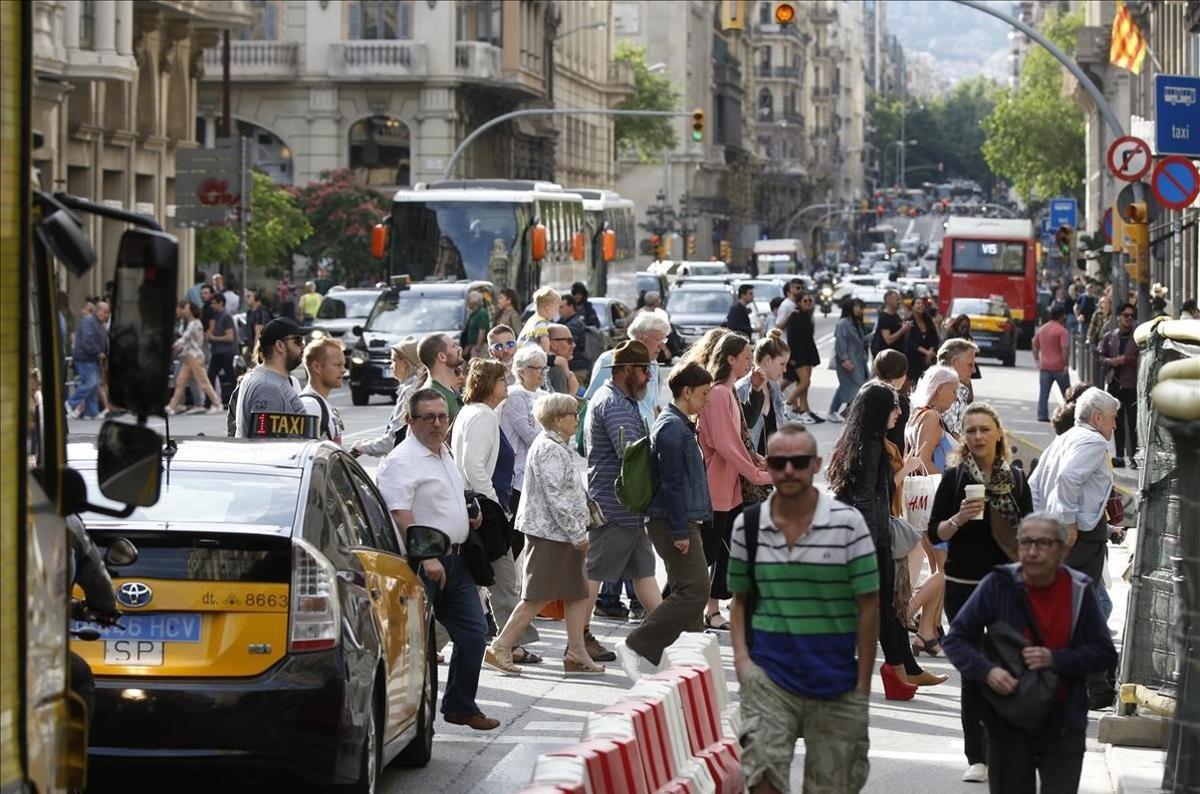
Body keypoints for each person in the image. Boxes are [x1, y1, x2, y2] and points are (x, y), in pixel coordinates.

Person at [729, 424, 879, 794]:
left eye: (799, 462)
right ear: (769, 466)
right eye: (779, 463)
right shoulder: (748, 526)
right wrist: (744, 665)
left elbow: (869, 605)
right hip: (769, 678)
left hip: (837, 683)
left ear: (817, 465)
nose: (789, 471)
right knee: (761, 778)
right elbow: (740, 601)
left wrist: (862, 686)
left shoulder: (848, 525)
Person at [941, 513, 1118, 794]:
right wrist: (988, 671)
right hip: (1008, 721)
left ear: (1063, 549)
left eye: (1043, 543)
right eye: (1025, 543)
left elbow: (1104, 654)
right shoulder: (999, 584)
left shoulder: (1079, 589)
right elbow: (957, 639)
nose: (1032, 551)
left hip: (1064, 722)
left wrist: (1057, 659)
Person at [377, 388, 498, 731]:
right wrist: (426, 554)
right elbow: (400, 513)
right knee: (419, 648)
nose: (437, 424)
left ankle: (460, 705)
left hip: (457, 563)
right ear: (410, 421)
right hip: (423, 565)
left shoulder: (442, 451)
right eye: (428, 417)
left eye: (442, 416)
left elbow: (448, 496)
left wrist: (468, 514)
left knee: (474, 636)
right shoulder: (401, 461)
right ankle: (417, 722)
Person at [928, 402, 1034, 783]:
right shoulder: (955, 478)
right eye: (970, 430)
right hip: (963, 588)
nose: (976, 437)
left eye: (983, 430)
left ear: (998, 434)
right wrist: (957, 519)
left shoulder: (1016, 480)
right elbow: (934, 532)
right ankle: (978, 756)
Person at [828, 383, 945, 701]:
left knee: (888, 608)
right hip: (870, 540)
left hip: (866, 537)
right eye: (893, 407)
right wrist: (873, 545)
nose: (898, 412)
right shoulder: (871, 448)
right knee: (880, 608)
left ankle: (901, 666)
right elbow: (867, 500)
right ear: (879, 411)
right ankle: (897, 667)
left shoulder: (859, 442)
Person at [487, 393, 601, 674]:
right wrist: (577, 533)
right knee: (537, 596)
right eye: (573, 415)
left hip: (560, 533)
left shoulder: (557, 444)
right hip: (551, 534)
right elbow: (556, 497)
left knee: (576, 592)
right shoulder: (549, 447)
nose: (577, 419)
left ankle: (576, 653)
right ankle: (500, 647)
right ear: (558, 419)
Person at [618, 363, 715, 676]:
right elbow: (672, 482)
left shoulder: (679, 423)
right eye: (703, 393)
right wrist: (679, 531)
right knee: (696, 590)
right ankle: (636, 644)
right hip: (673, 520)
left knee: (688, 588)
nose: (707, 399)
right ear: (686, 392)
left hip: (678, 518)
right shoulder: (672, 427)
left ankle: (689, 661)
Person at [1029, 386, 1120, 708]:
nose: (1115, 427)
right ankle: (1096, 684)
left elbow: (1035, 484)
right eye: (1113, 419)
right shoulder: (1094, 441)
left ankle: (1096, 680)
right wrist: (1067, 522)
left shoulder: (1064, 438)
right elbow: (1068, 479)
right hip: (1079, 535)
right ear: (1097, 417)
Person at [453, 359, 540, 666]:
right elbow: (472, 465)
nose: (507, 386)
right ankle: (509, 644)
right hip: (484, 510)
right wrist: (492, 506)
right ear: (490, 386)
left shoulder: (477, 413)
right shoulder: (482, 416)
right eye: (503, 381)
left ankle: (509, 643)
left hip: (479, 508)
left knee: (471, 578)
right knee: (502, 579)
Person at [582, 340, 664, 662]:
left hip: (627, 508)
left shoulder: (619, 399)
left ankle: (669, 634)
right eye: (644, 371)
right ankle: (580, 638)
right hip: (615, 507)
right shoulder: (614, 403)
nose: (647, 377)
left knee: (644, 572)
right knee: (593, 575)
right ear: (626, 369)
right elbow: (633, 458)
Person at [698, 333, 773, 631]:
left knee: (722, 552)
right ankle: (684, 609)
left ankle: (711, 609)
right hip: (717, 487)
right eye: (745, 357)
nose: (749, 363)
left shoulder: (726, 392)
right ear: (730, 359)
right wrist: (758, 473)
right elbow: (726, 445)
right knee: (708, 553)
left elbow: (738, 440)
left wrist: (757, 461)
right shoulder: (718, 393)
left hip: (729, 488)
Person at [585, 311, 671, 427]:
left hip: (645, 439)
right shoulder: (609, 360)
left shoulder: (653, 364)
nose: (662, 346)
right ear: (641, 337)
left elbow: (652, 406)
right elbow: (592, 403)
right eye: (658, 340)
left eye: (664, 340)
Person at [351, 336, 425, 458]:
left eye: (394, 360)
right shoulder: (414, 386)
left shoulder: (410, 392)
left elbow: (393, 440)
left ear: (406, 363)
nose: (391, 366)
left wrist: (363, 447)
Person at [233, 318, 308, 437]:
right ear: (280, 346)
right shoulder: (267, 388)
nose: (303, 346)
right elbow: (266, 447)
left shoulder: (269, 379)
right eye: (298, 341)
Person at [499, 345, 547, 516]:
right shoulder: (515, 396)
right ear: (521, 371)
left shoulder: (543, 396)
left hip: (539, 471)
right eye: (537, 368)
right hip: (518, 475)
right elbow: (530, 436)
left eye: (544, 367)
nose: (542, 372)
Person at [1097, 304, 1139, 468]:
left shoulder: (1137, 338)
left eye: (1131, 316)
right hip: (1114, 384)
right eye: (1126, 315)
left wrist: (1126, 360)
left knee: (1134, 423)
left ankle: (1135, 457)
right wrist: (1112, 361)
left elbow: (1143, 359)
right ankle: (1120, 456)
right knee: (1118, 423)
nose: (1129, 319)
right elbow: (1101, 358)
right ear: (1118, 317)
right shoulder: (1109, 336)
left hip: (1131, 386)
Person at [737, 330, 790, 455]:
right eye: (782, 364)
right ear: (767, 360)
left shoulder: (774, 387)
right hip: (750, 466)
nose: (785, 369)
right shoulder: (741, 389)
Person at [166, 301, 223, 416]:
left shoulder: (195, 323)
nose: (184, 310)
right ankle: (172, 406)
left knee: (203, 382)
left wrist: (174, 345)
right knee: (180, 382)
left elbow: (185, 338)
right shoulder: (191, 323)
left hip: (195, 357)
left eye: (187, 308)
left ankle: (217, 404)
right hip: (189, 357)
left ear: (191, 310)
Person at [780, 286, 823, 424]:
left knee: (804, 383)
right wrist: (791, 357)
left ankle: (804, 410)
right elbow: (792, 338)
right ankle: (787, 404)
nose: (808, 303)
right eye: (805, 301)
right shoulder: (795, 316)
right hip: (798, 355)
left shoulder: (807, 316)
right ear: (799, 303)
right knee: (805, 382)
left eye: (810, 301)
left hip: (808, 353)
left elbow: (809, 337)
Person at [906, 365, 959, 476]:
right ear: (939, 389)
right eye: (954, 391)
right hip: (933, 490)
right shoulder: (931, 416)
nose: (956, 397)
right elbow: (922, 462)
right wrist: (946, 486)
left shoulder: (917, 414)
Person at [66, 301, 110, 420]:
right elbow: (87, 340)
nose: (106, 315)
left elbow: (103, 339)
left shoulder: (97, 323)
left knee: (94, 384)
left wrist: (104, 352)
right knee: (91, 383)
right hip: (85, 358)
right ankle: (71, 403)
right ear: (99, 311)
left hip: (92, 358)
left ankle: (91, 412)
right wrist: (98, 352)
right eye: (105, 312)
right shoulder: (89, 321)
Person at [828, 297, 869, 423]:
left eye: (861, 307)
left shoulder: (857, 323)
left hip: (859, 361)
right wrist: (844, 359)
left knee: (849, 386)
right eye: (857, 306)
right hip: (848, 361)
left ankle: (845, 412)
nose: (860, 310)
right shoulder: (843, 323)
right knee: (853, 386)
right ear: (850, 307)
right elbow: (840, 342)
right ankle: (836, 411)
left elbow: (862, 340)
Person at [299, 337, 346, 445]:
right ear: (317, 367)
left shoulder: (320, 403)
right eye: (338, 365)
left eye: (343, 365)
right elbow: (305, 455)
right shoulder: (310, 406)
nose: (344, 370)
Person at [1032, 304, 1071, 422]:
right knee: (1068, 394)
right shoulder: (1062, 331)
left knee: (1044, 393)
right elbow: (1064, 349)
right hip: (1059, 367)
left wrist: (1037, 361)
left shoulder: (1042, 329)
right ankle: (1070, 416)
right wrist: (1065, 365)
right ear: (1062, 316)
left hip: (1045, 366)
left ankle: (1042, 415)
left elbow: (1035, 346)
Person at [418, 333, 465, 425]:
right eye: (454, 346)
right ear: (442, 357)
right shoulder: (430, 398)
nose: (459, 349)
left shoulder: (449, 390)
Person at [938, 337, 980, 438]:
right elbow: (953, 436)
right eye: (970, 365)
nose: (974, 370)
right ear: (955, 362)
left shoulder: (958, 389)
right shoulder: (947, 391)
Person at [205, 293, 238, 406]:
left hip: (226, 352)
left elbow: (230, 337)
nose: (212, 306)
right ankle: (209, 402)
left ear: (221, 303)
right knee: (211, 375)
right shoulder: (216, 316)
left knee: (231, 377)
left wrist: (213, 338)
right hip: (217, 352)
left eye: (214, 303)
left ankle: (238, 400)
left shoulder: (226, 316)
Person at [905, 295, 940, 386]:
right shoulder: (909, 322)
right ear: (912, 306)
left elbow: (934, 337)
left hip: (929, 358)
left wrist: (930, 352)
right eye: (918, 303)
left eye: (922, 304)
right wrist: (926, 352)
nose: (921, 305)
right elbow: (910, 341)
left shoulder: (928, 320)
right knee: (915, 383)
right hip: (914, 358)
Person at [558, 297, 593, 382]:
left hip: (577, 368)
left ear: (571, 306)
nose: (559, 310)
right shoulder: (568, 321)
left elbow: (568, 347)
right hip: (578, 367)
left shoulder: (574, 324)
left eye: (562, 307)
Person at [870, 288, 912, 358]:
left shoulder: (896, 316)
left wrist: (907, 329)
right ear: (888, 300)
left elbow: (901, 336)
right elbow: (888, 340)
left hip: (898, 355)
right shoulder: (884, 317)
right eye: (897, 300)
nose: (899, 302)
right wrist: (903, 330)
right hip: (887, 358)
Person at [518, 286, 560, 350]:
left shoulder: (532, 319)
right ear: (547, 309)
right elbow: (544, 341)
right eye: (556, 309)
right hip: (529, 356)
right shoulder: (540, 322)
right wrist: (546, 355)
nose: (557, 312)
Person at [545, 323, 580, 395]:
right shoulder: (556, 371)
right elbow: (562, 405)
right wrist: (572, 393)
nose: (574, 345)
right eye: (569, 341)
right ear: (553, 344)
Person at [242, 287, 272, 361]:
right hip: (252, 347)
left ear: (256, 297)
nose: (246, 299)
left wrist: (256, 352)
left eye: (249, 296)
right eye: (245, 296)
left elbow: (258, 334)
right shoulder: (249, 312)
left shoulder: (261, 312)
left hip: (263, 350)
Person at [463, 290, 490, 360]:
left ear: (474, 301)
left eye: (468, 299)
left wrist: (477, 348)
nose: (467, 302)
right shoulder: (473, 314)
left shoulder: (482, 313)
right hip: (472, 346)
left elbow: (482, 331)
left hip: (479, 347)